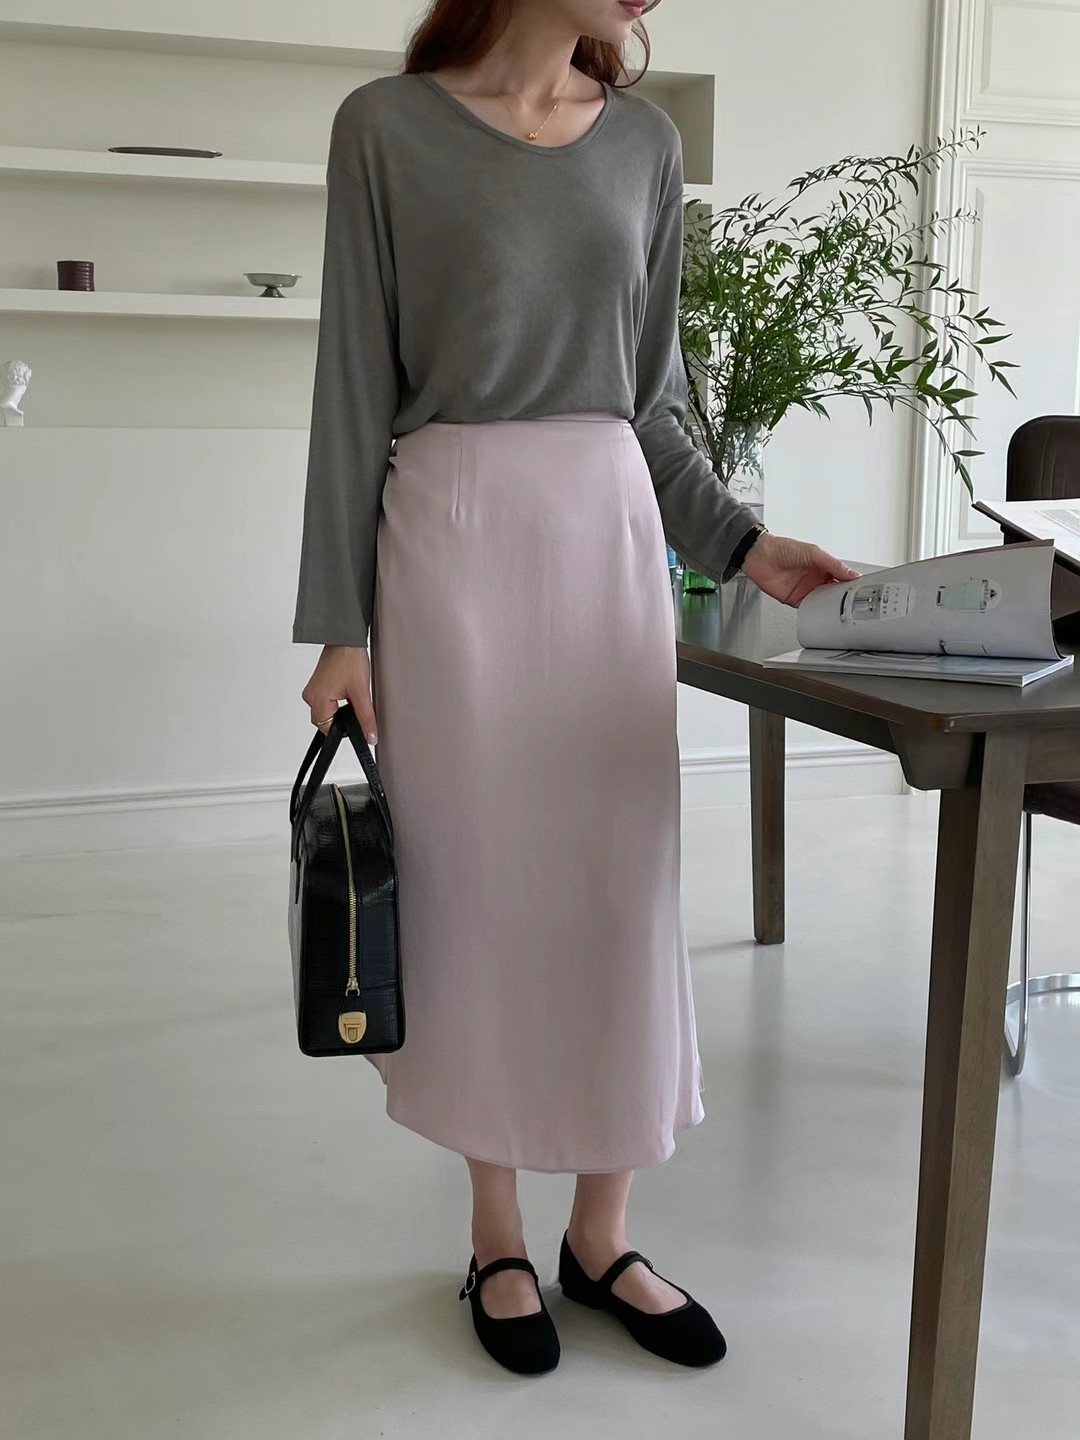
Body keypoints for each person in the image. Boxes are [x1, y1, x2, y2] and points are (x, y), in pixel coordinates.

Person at [292, 0, 857, 1377]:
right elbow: (352, 387)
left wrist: (742, 542)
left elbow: (653, 402)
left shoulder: (645, 144)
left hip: (607, 542)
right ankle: (497, 1233)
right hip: (451, 545)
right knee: (475, 890)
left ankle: (603, 1236)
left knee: (618, 882)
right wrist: (340, 627)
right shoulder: (385, 130)